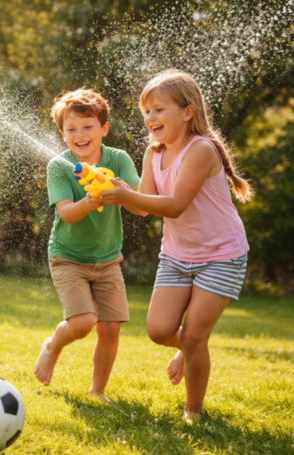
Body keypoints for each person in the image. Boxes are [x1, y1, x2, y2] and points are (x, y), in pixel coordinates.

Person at [99, 69, 252, 421]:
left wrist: (125, 194)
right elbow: (143, 204)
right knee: (159, 330)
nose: (151, 117)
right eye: (146, 112)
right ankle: (189, 348)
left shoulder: (201, 150)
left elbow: (175, 204)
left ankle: (194, 410)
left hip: (221, 255)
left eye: (159, 109)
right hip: (178, 254)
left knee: (196, 336)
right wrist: (117, 192)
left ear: (187, 112)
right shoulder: (155, 153)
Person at [34, 88, 147, 400]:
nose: (80, 135)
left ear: (104, 129)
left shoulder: (118, 159)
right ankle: (53, 344)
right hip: (68, 257)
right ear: (62, 134)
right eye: (71, 129)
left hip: (108, 258)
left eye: (88, 127)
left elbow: (141, 207)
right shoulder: (59, 166)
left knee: (110, 328)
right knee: (83, 323)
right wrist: (89, 200)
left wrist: (122, 190)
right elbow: (68, 214)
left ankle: (97, 392)